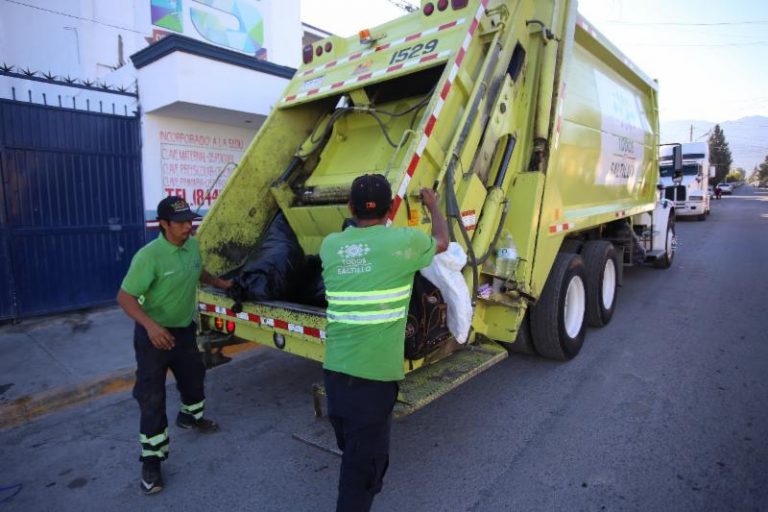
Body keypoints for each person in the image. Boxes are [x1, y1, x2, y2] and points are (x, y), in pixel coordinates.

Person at [319, 174, 449, 512]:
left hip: (335, 376)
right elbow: (442, 241)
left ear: (350, 207)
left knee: (352, 451)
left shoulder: (330, 245)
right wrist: (434, 205)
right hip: (374, 383)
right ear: (393, 206)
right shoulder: (402, 244)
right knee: (362, 473)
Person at [116, 196, 232, 495]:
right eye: (180, 223)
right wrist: (152, 327)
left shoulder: (192, 244)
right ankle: (152, 462)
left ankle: (190, 417)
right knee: (151, 398)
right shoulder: (149, 256)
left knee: (195, 379)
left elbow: (198, 270)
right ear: (163, 224)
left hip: (183, 331)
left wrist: (221, 284)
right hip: (153, 336)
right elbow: (125, 298)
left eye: (190, 221)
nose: (188, 227)